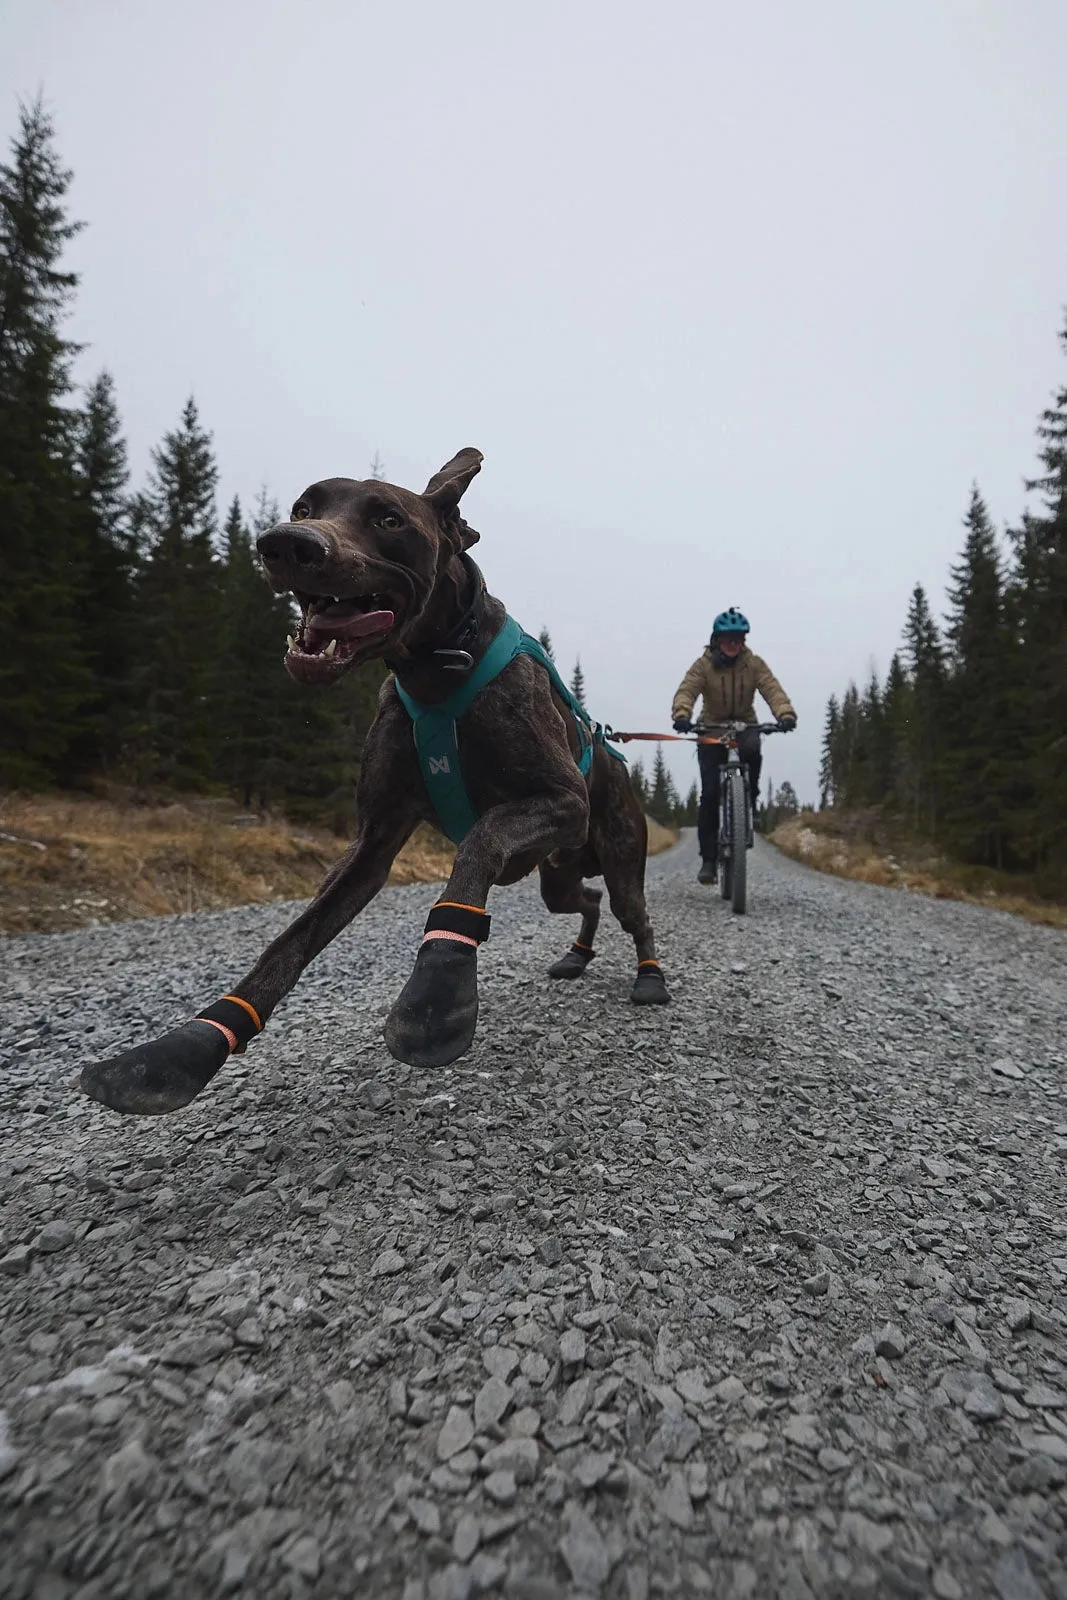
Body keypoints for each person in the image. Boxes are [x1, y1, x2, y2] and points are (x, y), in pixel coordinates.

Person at [671, 607, 796, 884]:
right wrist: (682, 715)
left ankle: (747, 803)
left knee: (752, 753)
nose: (734, 644)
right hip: (711, 728)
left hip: (745, 725)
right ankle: (708, 860)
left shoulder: (754, 664)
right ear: (716, 639)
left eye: (739, 639)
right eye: (728, 639)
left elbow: (771, 689)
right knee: (710, 793)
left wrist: (784, 714)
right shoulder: (703, 665)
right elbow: (687, 690)